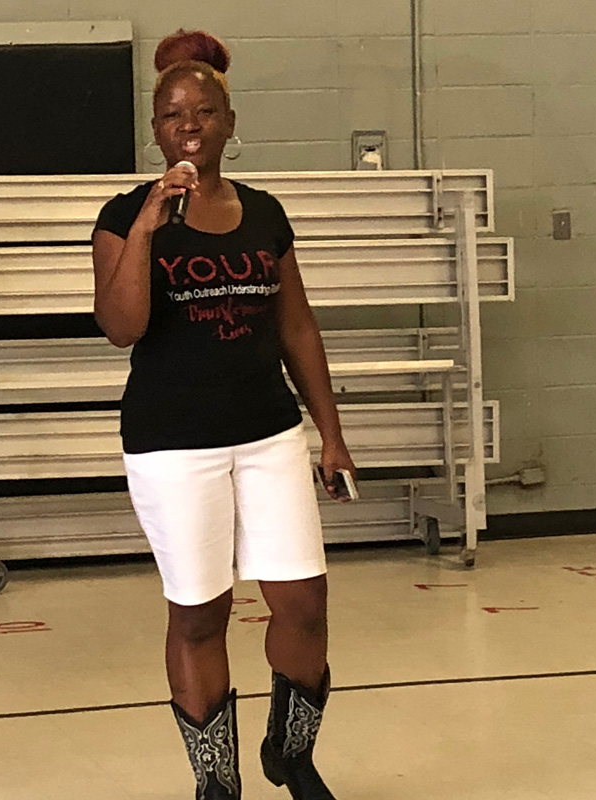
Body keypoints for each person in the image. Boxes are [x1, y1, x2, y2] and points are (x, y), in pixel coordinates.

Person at [92, 29, 355, 800]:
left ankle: (291, 754)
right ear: (155, 128)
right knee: (201, 614)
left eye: (205, 111)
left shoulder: (265, 213)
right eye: (174, 114)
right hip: (174, 444)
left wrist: (332, 437)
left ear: (229, 122)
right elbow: (121, 326)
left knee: (304, 602)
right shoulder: (123, 215)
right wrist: (148, 225)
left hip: (269, 432)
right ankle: (218, 781)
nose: (190, 124)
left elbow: (297, 326)